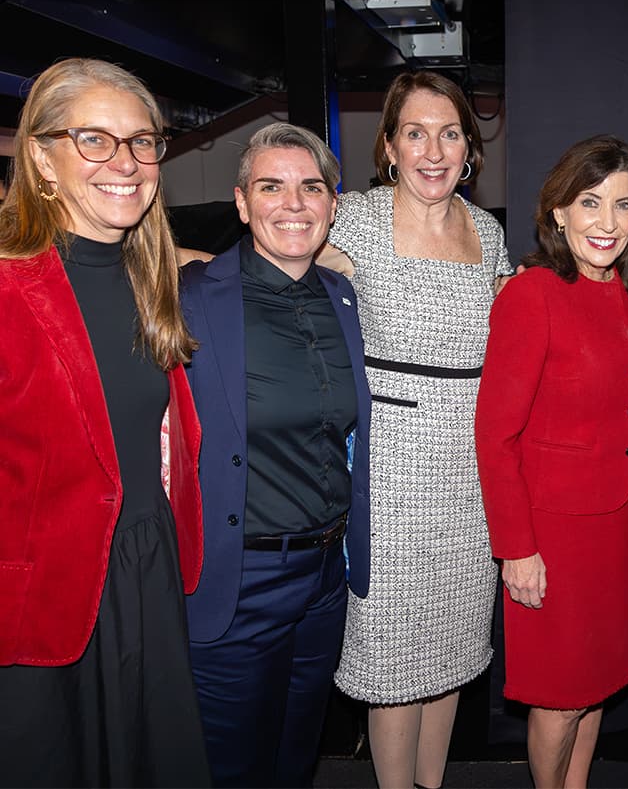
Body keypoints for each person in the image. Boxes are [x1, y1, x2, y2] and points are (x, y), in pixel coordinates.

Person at [0, 58, 209, 786]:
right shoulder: (5, 288)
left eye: (142, 141)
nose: (126, 162)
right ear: (41, 157)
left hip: (145, 574)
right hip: (42, 600)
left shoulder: (152, 280)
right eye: (94, 139)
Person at [316, 70, 513, 789]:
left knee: (452, 651)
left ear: (470, 149)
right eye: (415, 132)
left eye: (451, 132)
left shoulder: (486, 231)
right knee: (394, 664)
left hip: (471, 477)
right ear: (390, 147)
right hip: (390, 477)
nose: (434, 150)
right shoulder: (355, 219)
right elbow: (279, 265)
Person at [181, 122, 371, 787]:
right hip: (240, 583)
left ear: (333, 203)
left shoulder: (342, 296)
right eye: (271, 186)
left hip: (324, 581)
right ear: (240, 202)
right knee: (233, 769)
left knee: (295, 758)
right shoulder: (193, 299)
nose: (293, 203)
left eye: (310, 187)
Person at [475, 134, 628, 788]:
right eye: (590, 202)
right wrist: (516, 548)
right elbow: (495, 434)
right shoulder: (531, 297)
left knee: (596, 686)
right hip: (553, 537)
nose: (607, 223)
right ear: (558, 212)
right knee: (559, 695)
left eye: (623, 205)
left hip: (619, 528)